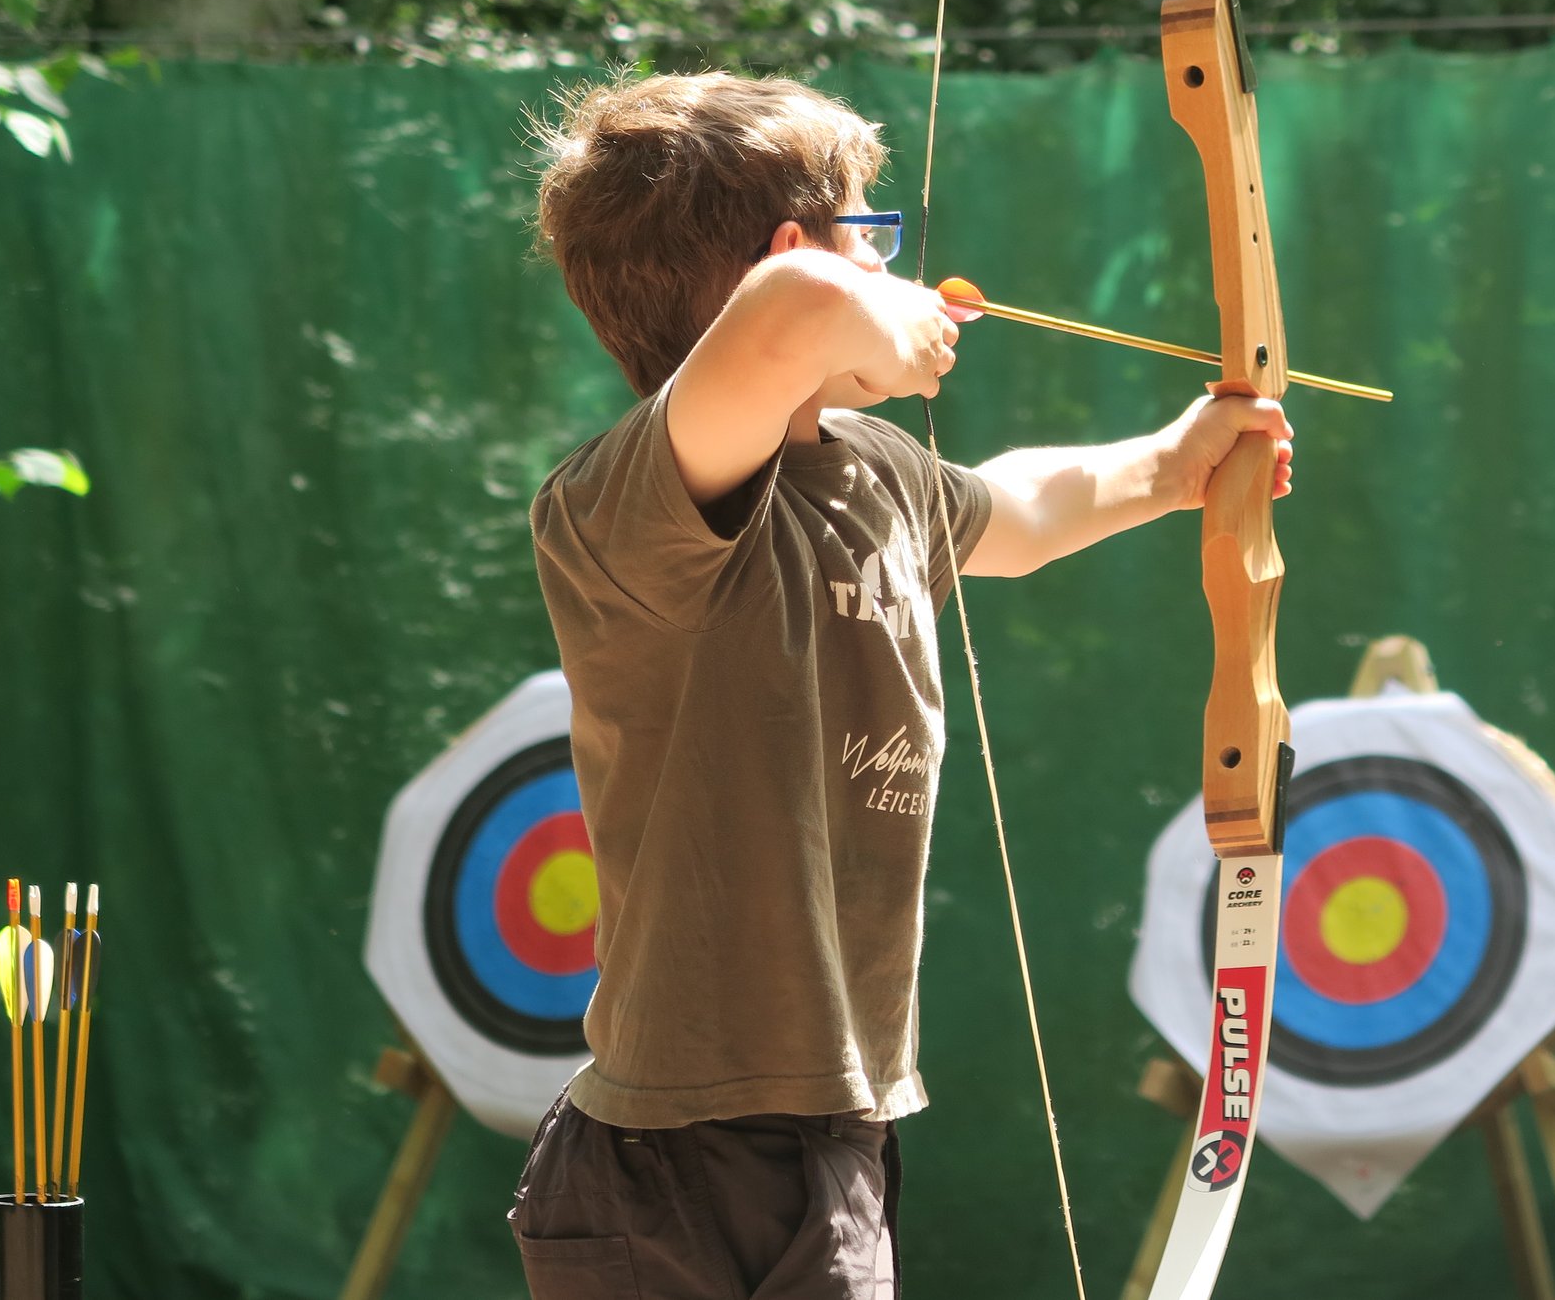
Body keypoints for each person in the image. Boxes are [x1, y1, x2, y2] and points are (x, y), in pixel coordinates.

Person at [509, 71, 1293, 1299]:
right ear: (793, 252)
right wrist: (876, 315)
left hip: (836, 1118)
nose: (892, 267)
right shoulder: (633, 505)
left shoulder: (878, 472)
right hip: (672, 1154)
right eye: (871, 236)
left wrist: (1174, 462)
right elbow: (786, 307)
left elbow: (1025, 512)